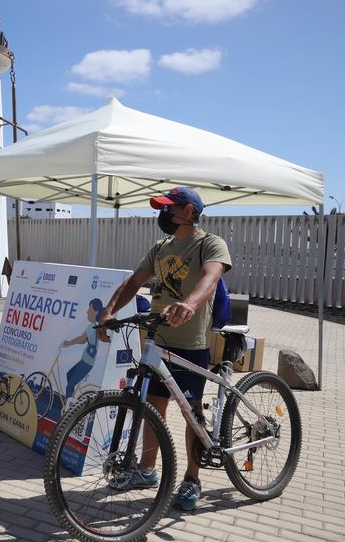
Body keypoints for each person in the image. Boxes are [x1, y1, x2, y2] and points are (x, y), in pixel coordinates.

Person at [101, 187, 231, 511]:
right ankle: (146, 471)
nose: (162, 215)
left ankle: (192, 478)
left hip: (190, 344)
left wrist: (188, 303)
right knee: (153, 408)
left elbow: (210, 278)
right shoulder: (160, 248)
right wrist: (108, 312)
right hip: (158, 342)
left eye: (168, 209)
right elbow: (133, 282)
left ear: (189, 211)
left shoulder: (209, 244)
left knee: (191, 413)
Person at [61, 298, 108, 402]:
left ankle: (69, 410)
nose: (87, 311)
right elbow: (83, 341)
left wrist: (68, 343)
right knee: (69, 375)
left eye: (89, 309)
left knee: (69, 387)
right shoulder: (96, 327)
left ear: (95, 312)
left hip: (87, 362)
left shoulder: (92, 327)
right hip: (87, 361)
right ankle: (72, 400)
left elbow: (81, 339)